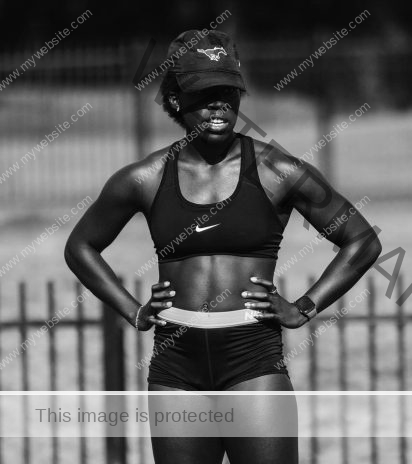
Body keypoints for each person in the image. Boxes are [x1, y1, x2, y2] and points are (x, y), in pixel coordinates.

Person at [64, 30, 382, 464]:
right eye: (205, 94)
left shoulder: (279, 171)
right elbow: (81, 246)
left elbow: (361, 240)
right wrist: (133, 310)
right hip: (175, 365)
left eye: (229, 93)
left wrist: (305, 307)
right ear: (175, 100)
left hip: (252, 359)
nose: (220, 104)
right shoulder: (144, 177)